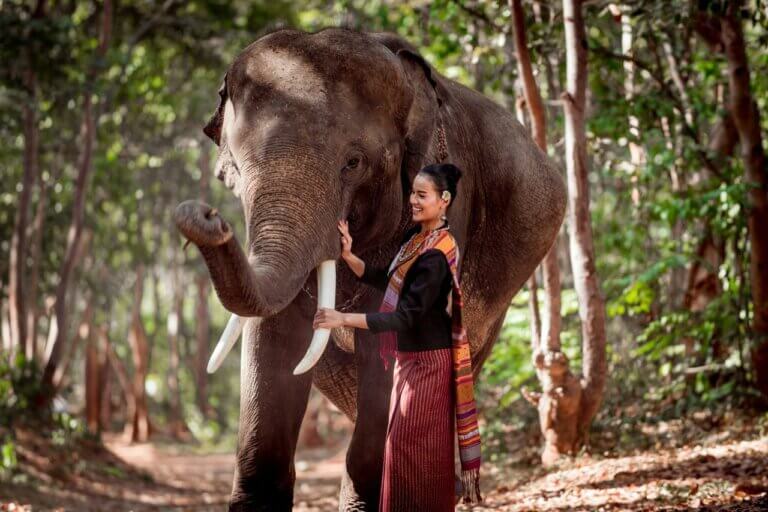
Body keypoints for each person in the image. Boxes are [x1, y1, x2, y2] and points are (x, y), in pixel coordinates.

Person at [313, 163, 482, 510]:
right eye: (413, 193)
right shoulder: (416, 240)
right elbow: (388, 282)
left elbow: (404, 316)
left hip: (429, 365)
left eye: (423, 195)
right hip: (409, 362)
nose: (414, 201)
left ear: (444, 200)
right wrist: (349, 256)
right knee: (404, 450)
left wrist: (342, 318)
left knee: (413, 452)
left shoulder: (437, 253)